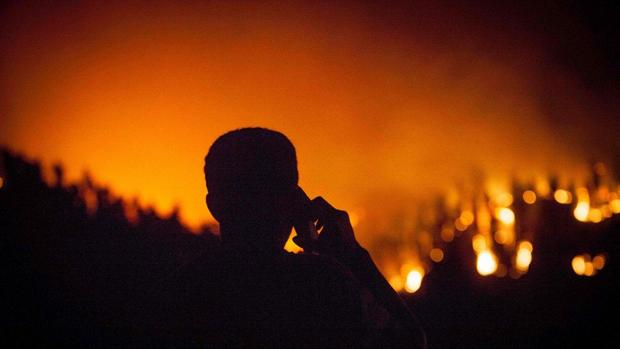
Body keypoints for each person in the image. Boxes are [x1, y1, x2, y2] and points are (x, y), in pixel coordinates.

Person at [133, 127, 426, 348]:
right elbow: (411, 340)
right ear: (296, 200)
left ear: (214, 206)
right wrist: (352, 256)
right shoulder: (321, 285)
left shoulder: (181, 291)